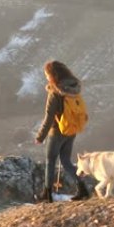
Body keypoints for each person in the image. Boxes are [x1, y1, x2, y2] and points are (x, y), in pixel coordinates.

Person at [34, 60, 90, 202]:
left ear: (53, 75)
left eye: (47, 74)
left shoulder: (55, 92)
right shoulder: (74, 88)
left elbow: (49, 117)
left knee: (50, 161)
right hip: (71, 129)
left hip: (57, 131)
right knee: (66, 161)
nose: (46, 77)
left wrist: (40, 137)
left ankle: (47, 195)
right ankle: (83, 189)